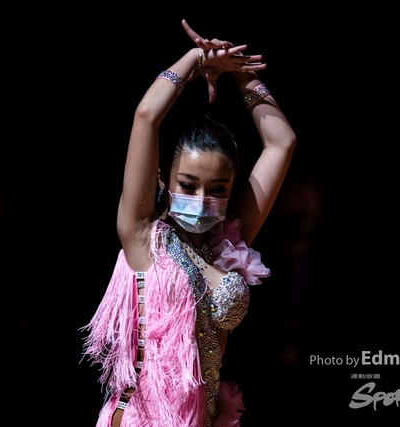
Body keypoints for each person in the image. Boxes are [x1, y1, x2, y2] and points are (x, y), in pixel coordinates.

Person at [81, 19, 296, 427]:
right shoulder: (143, 236)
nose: (200, 200)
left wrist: (238, 72)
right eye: (187, 184)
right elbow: (147, 115)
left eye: (217, 188)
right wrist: (197, 58)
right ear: (164, 179)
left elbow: (281, 142)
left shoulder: (228, 244)